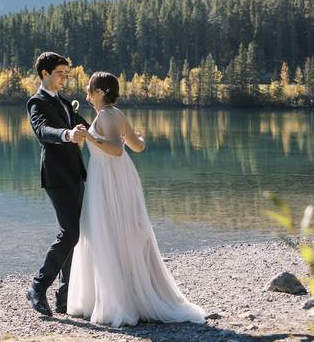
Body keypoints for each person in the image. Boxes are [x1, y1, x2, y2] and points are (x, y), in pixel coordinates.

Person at [66, 71, 205, 326]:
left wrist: (89, 136)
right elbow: (137, 146)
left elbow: (116, 150)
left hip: (109, 179)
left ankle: (118, 301)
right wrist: (138, 136)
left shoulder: (107, 115)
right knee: (121, 232)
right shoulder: (116, 115)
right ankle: (126, 292)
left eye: (90, 88)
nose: (87, 92)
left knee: (107, 233)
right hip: (120, 178)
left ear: (101, 92)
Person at [24, 52, 114, 317]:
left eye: (66, 73)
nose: (65, 78)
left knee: (78, 232)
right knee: (70, 233)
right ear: (45, 74)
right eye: (60, 73)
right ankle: (37, 288)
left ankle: (65, 296)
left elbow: (88, 129)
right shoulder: (36, 102)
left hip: (77, 175)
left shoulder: (65, 103)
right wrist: (67, 134)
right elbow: (42, 132)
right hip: (56, 177)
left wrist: (117, 134)